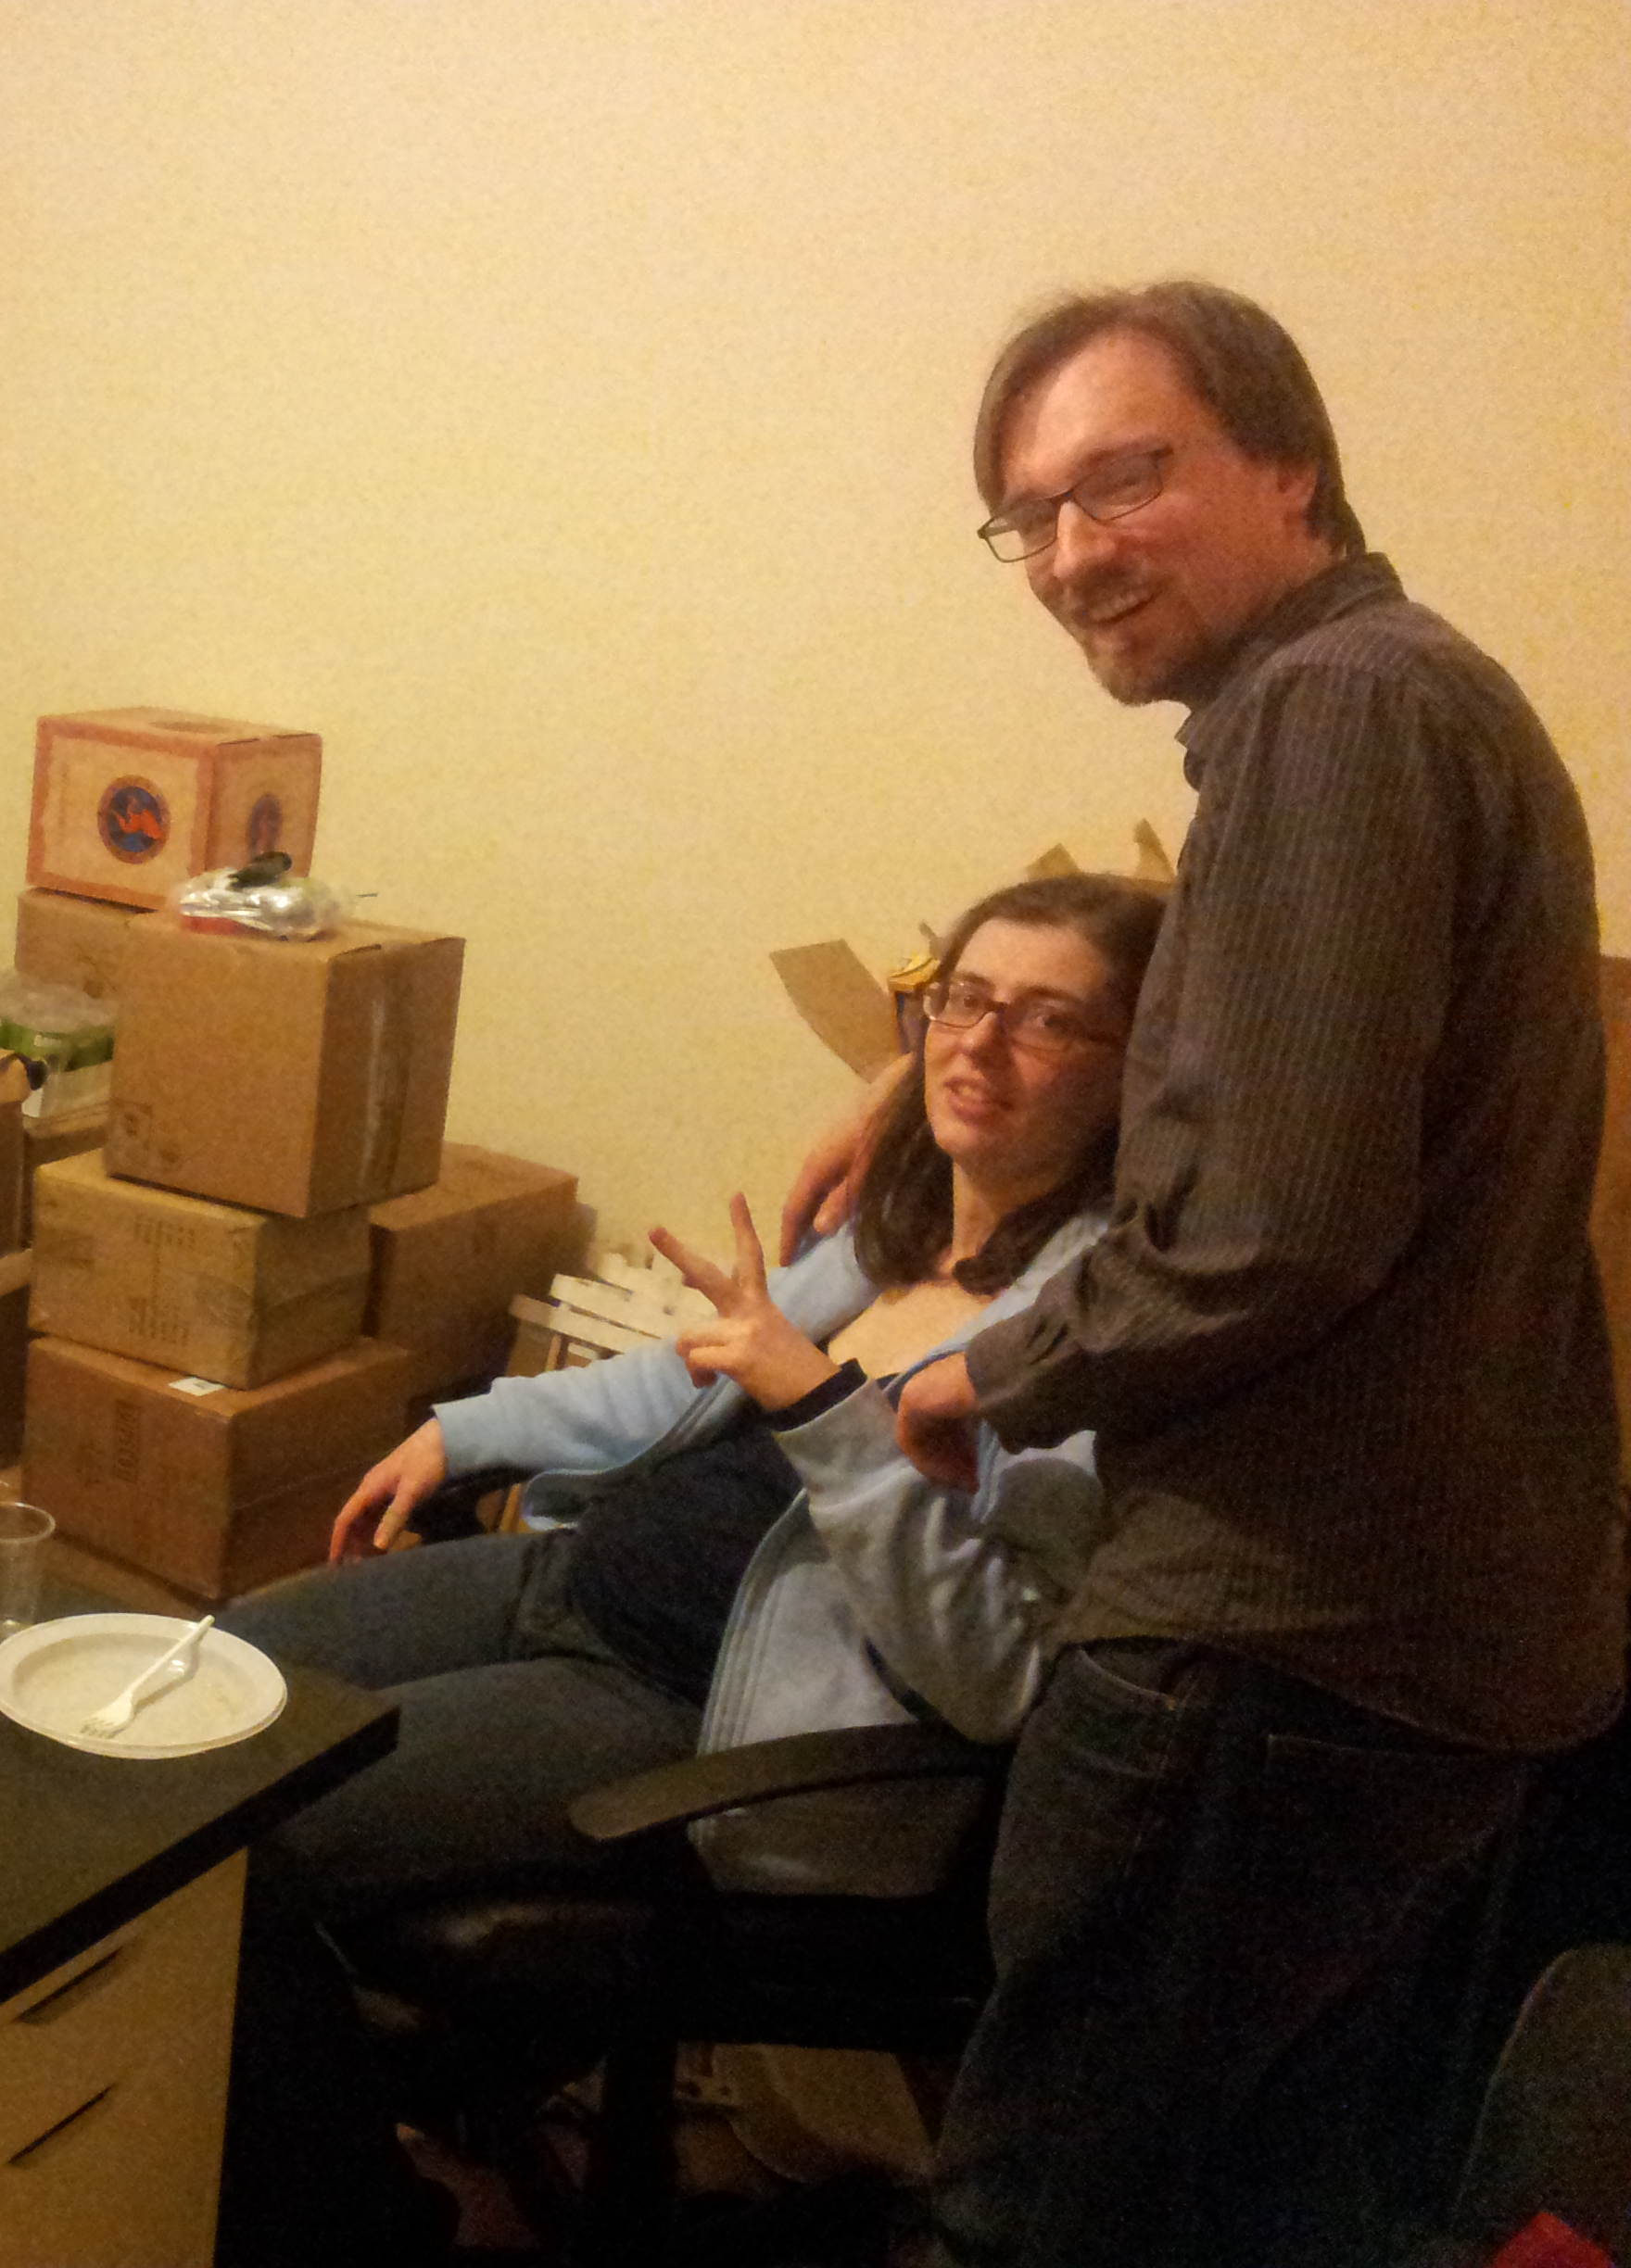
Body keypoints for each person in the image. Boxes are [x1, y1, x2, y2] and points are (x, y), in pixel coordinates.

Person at [853, 284, 1623, 2268]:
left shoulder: (1329, 711)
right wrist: (893, 1095)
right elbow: (1295, 1096)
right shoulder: (1402, 698)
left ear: (1288, 464)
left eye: (1124, 478)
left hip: (1282, 1629)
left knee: (1045, 2205)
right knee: (1265, 2203)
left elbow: (1273, 1224)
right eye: (1031, 515)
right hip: (1428, 1635)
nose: (1072, 553)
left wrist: (982, 1371)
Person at [213, 871, 1165, 2268]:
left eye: (1048, 1022)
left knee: (235, 1835)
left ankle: (365, 2226)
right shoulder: (905, 1229)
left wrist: (823, 1410)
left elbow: (994, 1674)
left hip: (691, 1706)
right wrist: (466, 1427)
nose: (978, 1044)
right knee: (204, 1683)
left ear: (1139, 1067)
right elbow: (685, 1380)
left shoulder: (1088, 1338)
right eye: (963, 999)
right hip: (569, 1580)